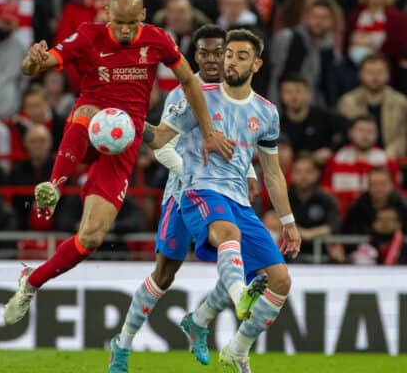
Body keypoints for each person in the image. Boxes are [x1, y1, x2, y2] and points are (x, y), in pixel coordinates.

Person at [3, 0, 234, 326]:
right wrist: (31, 60)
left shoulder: (158, 40)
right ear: (107, 15)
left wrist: (209, 131)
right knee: (87, 111)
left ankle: (31, 282)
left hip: (124, 141)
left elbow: (188, 81)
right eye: (118, 22)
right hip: (89, 121)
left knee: (91, 238)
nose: (124, 30)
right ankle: (53, 184)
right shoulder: (89, 36)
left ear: (142, 16)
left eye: (130, 23)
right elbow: (35, 67)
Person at [135, 29, 301, 372]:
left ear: (256, 64)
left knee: (281, 281)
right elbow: (161, 137)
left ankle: (236, 346)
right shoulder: (200, 95)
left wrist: (288, 222)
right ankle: (240, 296)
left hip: (238, 198)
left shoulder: (267, 112)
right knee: (228, 235)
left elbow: (272, 172)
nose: (231, 61)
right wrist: (131, 124)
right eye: (229, 54)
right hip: (199, 188)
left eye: (241, 56)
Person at [108, 24, 258, 372]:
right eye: (203, 52)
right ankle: (123, 344)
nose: (210, 59)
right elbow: (162, 148)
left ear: (227, 54)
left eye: (217, 52)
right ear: (195, 55)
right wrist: (194, 174)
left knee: (235, 258)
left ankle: (200, 320)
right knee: (164, 274)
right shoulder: (182, 93)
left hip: (225, 191)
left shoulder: (234, 93)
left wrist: (248, 173)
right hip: (183, 193)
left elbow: (240, 140)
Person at [337, 54, 407, 158]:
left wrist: (389, 154)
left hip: (392, 159)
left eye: (380, 72)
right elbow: (343, 135)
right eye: (369, 72)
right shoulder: (347, 102)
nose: (375, 77)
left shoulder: (401, 102)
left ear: (388, 75)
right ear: (360, 74)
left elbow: (403, 135)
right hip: (355, 159)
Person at [278, 73, 347, 165]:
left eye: (298, 91)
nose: (293, 96)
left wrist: (330, 149)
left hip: (322, 168)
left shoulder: (325, 117)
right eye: (288, 92)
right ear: (281, 96)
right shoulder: (275, 122)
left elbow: (347, 133)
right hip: (289, 171)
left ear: (308, 94)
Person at [288, 155, 340, 263]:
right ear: (292, 175)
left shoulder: (327, 199)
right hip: (288, 255)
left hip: (324, 256)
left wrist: (308, 234)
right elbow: (272, 219)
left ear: (317, 174)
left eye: (308, 171)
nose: (303, 176)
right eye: (298, 172)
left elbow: (334, 225)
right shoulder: (284, 198)